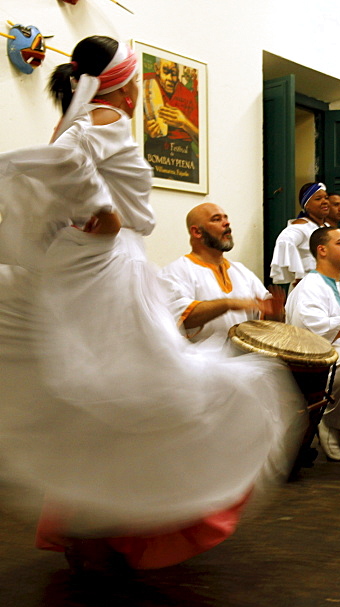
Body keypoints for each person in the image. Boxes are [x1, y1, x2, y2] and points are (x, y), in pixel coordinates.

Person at [0, 35, 301, 576]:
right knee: (154, 396)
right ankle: (118, 530)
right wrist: (100, 211)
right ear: (126, 86)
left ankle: (90, 533)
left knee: (104, 401)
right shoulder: (108, 128)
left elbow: (52, 180)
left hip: (84, 277)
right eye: (139, 82)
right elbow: (96, 191)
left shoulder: (75, 129)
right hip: (110, 276)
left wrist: (88, 211)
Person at [286, 227, 340, 462]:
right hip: (315, 354)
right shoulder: (309, 286)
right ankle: (328, 422)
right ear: (322, 250)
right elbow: (313, 330)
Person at [160, 203, 281, 345]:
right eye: (216, 219)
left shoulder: (242, 271)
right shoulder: (176, 271)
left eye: (226, 218)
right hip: (200, 363)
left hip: (245, 358)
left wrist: (275, 314)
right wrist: (229, 303)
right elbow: (182, 319)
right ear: (197, 232)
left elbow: (267, 322)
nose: (227, 223)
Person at [269, 182, 330, 286]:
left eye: (326, 198)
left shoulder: (327, 226)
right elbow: (284, 242)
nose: (324, 201)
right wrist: (298, 274)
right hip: (309, 287)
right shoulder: (301, 227)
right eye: (318, 199)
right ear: (307, 205)